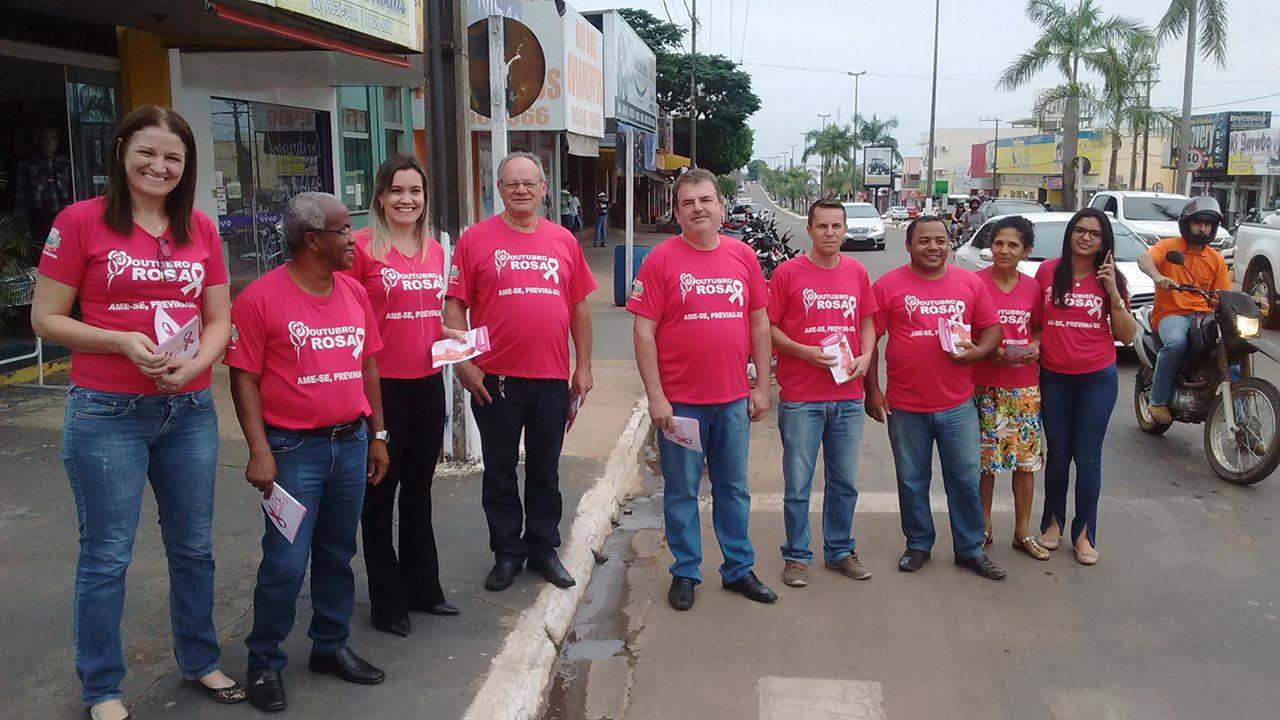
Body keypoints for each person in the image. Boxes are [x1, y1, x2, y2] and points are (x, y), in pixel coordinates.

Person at [30, 106, 242, 720]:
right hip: (106, 413)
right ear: (121, 151)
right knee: (107, 555)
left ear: (187, 165)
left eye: (173, 157)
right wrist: (120, 340)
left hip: (189, 410)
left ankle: (200, 659)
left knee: (194, 547)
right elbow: (45, 318)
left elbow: (219, 317)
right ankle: (103, 689)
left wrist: (197, 362)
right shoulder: (80, 222)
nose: (159, 166)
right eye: (147, 152)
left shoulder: (200, 227)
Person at [225, 192, 391, 713]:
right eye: (346, 229)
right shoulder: (259, 299)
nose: (354, 239)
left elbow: (368, 366)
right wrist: (259, 450)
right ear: (313, 239)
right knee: (285, 562)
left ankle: (330, 645)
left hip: (351, 441)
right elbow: (244, 377)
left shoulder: (352, 291)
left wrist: (378, 433)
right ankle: (264, 660)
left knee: (338, 553)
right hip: (293, 450)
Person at [445, 151, 597, 593]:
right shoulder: (475, 240)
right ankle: (507, 553)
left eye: (530, 183)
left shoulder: (563, 241)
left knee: (546, 469)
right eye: (512, 183)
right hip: (494, 380)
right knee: (499, 470)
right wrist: (463, 365)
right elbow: (455, 305)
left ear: (544, 189)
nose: (521, 190)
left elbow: (579, 307)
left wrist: (582, 367)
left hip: (551, 380)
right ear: (499, 189)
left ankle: (544, 549)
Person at [628, 167, 776, 611]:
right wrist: (657, 397)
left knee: (733, 488)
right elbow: (643, 331)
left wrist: (762, 386)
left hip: (732, 399)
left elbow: (759, 322)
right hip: (682, 404)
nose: (698, 208)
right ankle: (686, 571)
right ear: (676, 212)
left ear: (721, 206)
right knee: (681, 491)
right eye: (688, 202)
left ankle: (738, 569)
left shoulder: (743, 257)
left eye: (705, 200)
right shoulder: (660, 260)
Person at [345, 155, 462, 638]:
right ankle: (387, 601)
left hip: (428, 383)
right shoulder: (360, 249)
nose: (407, 200)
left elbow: (429, 316)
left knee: (419, 490)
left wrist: (458, 337)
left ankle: (424, 589)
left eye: (415, 191)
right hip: (381, 386)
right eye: (397, 191)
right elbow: (346, 315)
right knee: (380, 495)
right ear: (380, 196)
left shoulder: (436, 250)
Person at [864, 215, 1008, 581]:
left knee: (963, 478)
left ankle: (970, 549)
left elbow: (992, 329)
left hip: (958, 405)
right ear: (909, 245)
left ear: (950, 244)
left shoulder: (969, 284)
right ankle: (918, 544)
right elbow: (870, 341)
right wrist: (873, 390)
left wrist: (976, 353)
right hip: (905, 406)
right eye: (925, 241)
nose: (933, 247)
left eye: (941, 241)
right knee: (912, 479)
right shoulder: (888, 286)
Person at [767, 199, 877, 587]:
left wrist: (865, 356)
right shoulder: (788, 274)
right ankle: (796, 555)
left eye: (837, 227)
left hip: (847, 397)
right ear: (809, 230)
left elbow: (867, 322)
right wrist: (803, 352)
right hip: (801, 398)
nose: (830, 233)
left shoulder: (857, 273)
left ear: (845, 230)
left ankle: (840, 550)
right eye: (823, 227)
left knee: (844, 480)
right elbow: (769, 328)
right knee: (798, 484)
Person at [1035, 208, 1137, 567]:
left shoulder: (1113, 278)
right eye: (1080, 231)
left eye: (1094, 233)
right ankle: (1052, 523)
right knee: (1058, 454)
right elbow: (1035, 323)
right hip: (1054, 377)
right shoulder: (1048, 271)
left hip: (1097, 378)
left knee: (1088, 458)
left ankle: (1084, 534)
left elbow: (1126, 335)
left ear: (1103, 241)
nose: (1085, 238)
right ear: (1070, 234)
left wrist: (1112, 292)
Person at [971, 216, 1049, 561]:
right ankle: (982, 527)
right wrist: (987, 349)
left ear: (1025, 250)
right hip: (982, 385)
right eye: (998, 243)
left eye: (1012, 245)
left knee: (1025, 463)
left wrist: (1034, 346)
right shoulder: (973, 283)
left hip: (1024, 388)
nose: (1004, 250)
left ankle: (1022, 532)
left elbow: (1040, 330)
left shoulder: (1033, 289)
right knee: (985, 463)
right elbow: (962, 331)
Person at [1137, 197, 1231, 425]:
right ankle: (1157, 401)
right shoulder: (1170, 247)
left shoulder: (1215, 258)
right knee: (1176, 342)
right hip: (1172, 315)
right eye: (1198, 222)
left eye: (1208, 224)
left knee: (1230, 349)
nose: (1203, 228)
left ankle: (1240, 417)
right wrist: (1158, 276)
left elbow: (1224, 293)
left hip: (1203, 316)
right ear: (1187, 223)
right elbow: (1144, 259)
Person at [15, 125, 74, 252]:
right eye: (45, 139)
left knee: (66, 252)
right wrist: (22, 227)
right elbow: (22, 198)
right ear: (39, 141)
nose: (49, 143)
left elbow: (77, 191)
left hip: (65, 216)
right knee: (45, 255)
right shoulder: (28, 165)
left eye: (52, 139)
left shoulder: (68, 163)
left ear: (57, 141)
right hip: (40, 219)